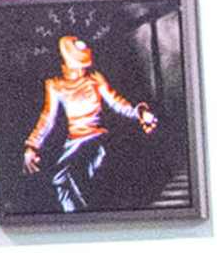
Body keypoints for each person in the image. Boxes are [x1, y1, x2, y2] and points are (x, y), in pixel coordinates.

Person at [18, 31, 159, 216]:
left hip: (97, 138)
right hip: (74, 142)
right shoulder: (55, 85)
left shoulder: (95, 79)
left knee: (88, 180)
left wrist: (140, 112)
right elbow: (48, 119)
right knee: (60, 180)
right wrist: (32, 145)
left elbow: (117, 103)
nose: (81, 70)